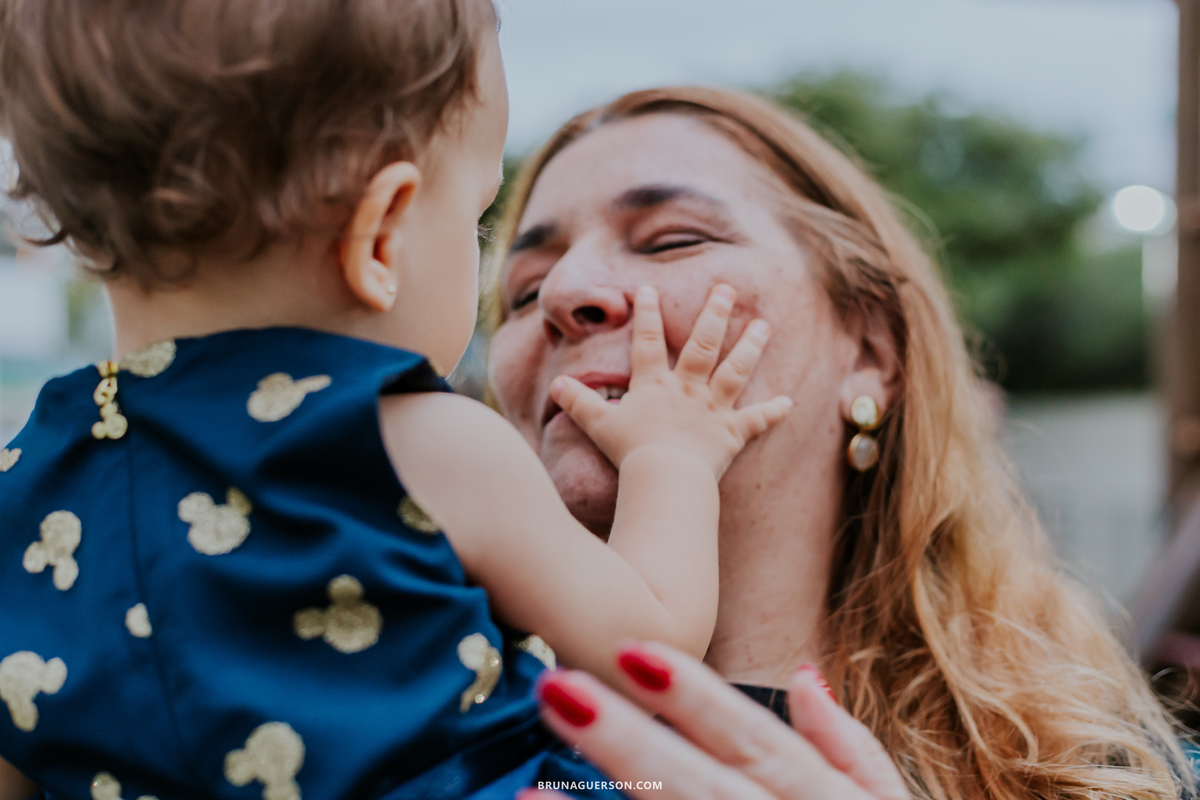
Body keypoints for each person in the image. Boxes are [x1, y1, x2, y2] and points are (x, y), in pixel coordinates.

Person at [0, 2, 796, 798]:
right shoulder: (415, 441)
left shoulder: (24, 485)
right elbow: (647, 654)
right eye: (478, 220)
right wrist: (671, 454)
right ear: (381, 237)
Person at [485, 86, 1196, 800]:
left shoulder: (1120, 780)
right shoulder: (419, 740)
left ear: (871, 352)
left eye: (673, 239)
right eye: (524, 288)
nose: (563, 291)